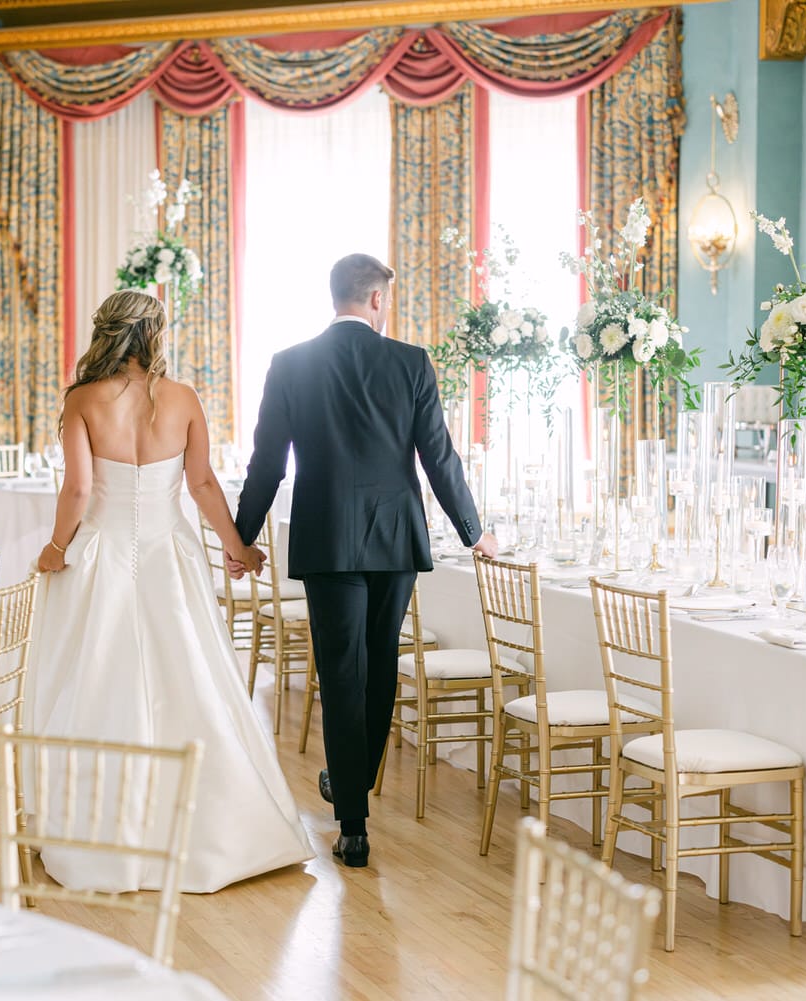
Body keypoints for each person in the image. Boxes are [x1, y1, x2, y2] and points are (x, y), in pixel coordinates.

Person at [26, 289, 312, 893]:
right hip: (168, 553)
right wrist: (238, 549)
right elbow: (203, 483)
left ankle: (97, 831)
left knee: (98, 676)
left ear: (107, 332)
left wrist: (56, 549)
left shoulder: (81, 400)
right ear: (156, 334)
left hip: (100, 555)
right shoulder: (182, 399)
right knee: (189, 677)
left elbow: (79, 492)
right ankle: (216, 830)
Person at [233, 254, 497, 869]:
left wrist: (243, 538)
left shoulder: (289, 364)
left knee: (341, 670)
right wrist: (473, 531)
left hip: (325, 540)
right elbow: (439, 457)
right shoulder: (409, 362)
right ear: (377, 300)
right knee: (381, 666)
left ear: (336, 298)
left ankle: (352, 818)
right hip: (393, 539)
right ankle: (351, 783)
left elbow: (267, 463)